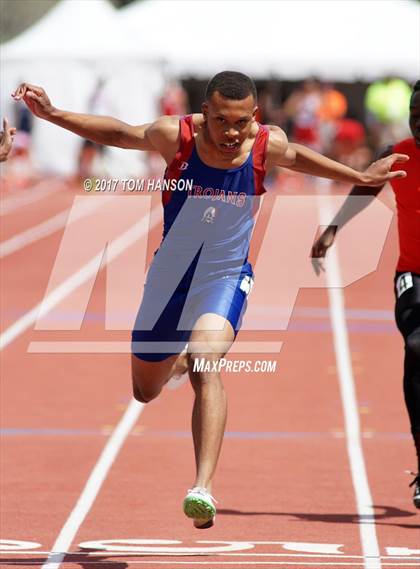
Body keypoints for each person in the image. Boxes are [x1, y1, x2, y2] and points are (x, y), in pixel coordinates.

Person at [13, 71, 408, 528]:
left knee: (206, 360)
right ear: (205, 115)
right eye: (221, 121)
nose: (231, 132)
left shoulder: (265, 145)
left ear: (255, 117)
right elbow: (120, 133)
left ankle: (202, 486)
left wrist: (358, 174)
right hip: (169, 279)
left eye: (241, 122)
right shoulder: (174, 136)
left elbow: (301, 157)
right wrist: (55, 114)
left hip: (225, 275)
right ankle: (174, 362)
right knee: (144, 391)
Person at [312, 80, 420, 509]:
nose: (418, 124)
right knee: (416, 345)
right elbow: (366, 185)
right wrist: (334, 228)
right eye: (415, 115)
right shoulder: (401, 154)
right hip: (413, 274)